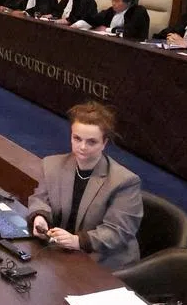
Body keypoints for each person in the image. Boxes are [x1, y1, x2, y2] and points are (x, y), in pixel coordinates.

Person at [27, 101, 142, 269]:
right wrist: (40, 217)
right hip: (64, 255)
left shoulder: (125, 181)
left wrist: (78, 241)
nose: (82, 147)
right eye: (77, 138)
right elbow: (40, 198)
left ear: (104, 143)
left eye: (91, 142)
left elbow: (118, 231)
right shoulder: (51, 165)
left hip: (106, 264)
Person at [77, 0, 151, 40]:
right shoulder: (112, 10)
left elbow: (129, 31)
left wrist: (107, 29)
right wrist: (79, 24)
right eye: (112, 0)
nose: (113, 3)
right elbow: (95, 19)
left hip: (134, 47)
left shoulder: (138, 12)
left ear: (128, 2)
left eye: (117, 1)